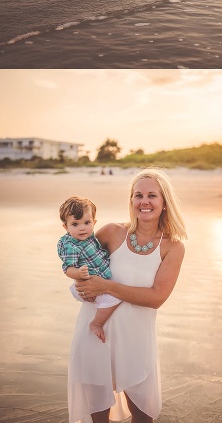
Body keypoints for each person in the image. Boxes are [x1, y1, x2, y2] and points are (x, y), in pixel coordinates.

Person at [67, 168, 187, 423]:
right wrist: (80, 283)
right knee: (99, 418)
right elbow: (78, 259)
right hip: (94, 338)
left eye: (152, 195)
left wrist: (107, 286)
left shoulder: (173, 247)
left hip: (136, 342)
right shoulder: (111, 232)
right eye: (138, 195)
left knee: (143, 417)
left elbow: (157, 297)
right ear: (131, 200)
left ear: (164, 203)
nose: (144, 201)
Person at [58, 196, 122, 343]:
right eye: (75, 224)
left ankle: (101, 311)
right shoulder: (71, 246)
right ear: (65, 227)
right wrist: (78, 274)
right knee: (115, 297)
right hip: (84, 285)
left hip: (94, 282)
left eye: (87, 223)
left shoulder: (88, 236)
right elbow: (68, 268)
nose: (82, 228)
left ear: (94, 223)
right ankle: (96, 323)